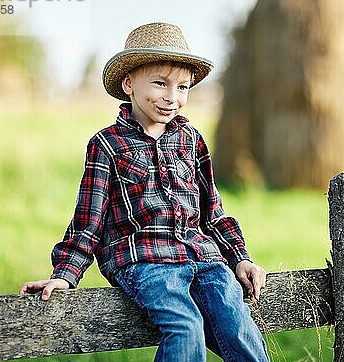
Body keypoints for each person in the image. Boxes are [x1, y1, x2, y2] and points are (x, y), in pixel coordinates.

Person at [20, 22, 270, 361]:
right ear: (129, 84)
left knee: (237, 324)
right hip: (145, 260)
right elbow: (88, 222)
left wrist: (240, 258)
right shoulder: (107, 145)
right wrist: (64, 275)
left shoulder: (192, 141)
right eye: (160, 84)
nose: (172, 97)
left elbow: (213, 212)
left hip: (203, 257)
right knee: (185, 326)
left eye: (183, 87)